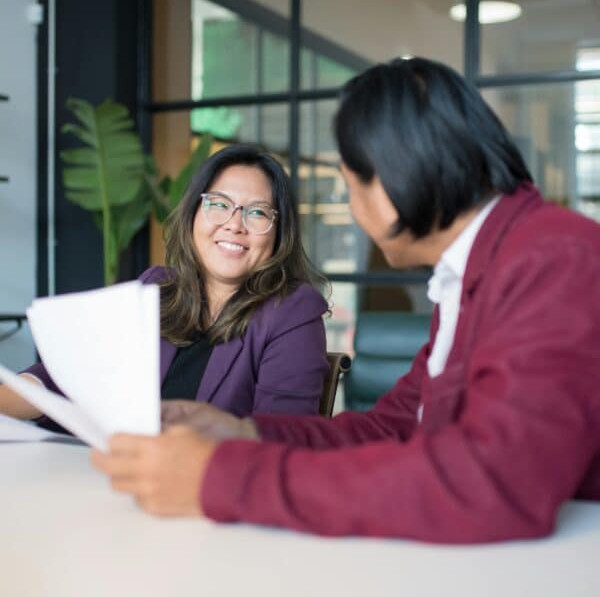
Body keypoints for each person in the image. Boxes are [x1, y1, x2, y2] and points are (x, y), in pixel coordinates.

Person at [92, 57, 600, 543]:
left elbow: (494, 486)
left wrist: (218, 477)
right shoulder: (475, 270)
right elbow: (394, 428)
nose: (355, 212)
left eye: (351, 186)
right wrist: (244, 433)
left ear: (396, 178)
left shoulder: (555, 257)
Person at [0, 145, 330, 421]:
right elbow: (66, 376)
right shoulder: (157, 290)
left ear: (279, 232)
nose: (234, 225)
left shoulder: (292, 311)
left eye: (257, 213)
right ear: (193, 214)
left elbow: (283, 435)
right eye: (218, 204)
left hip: (207, 491)